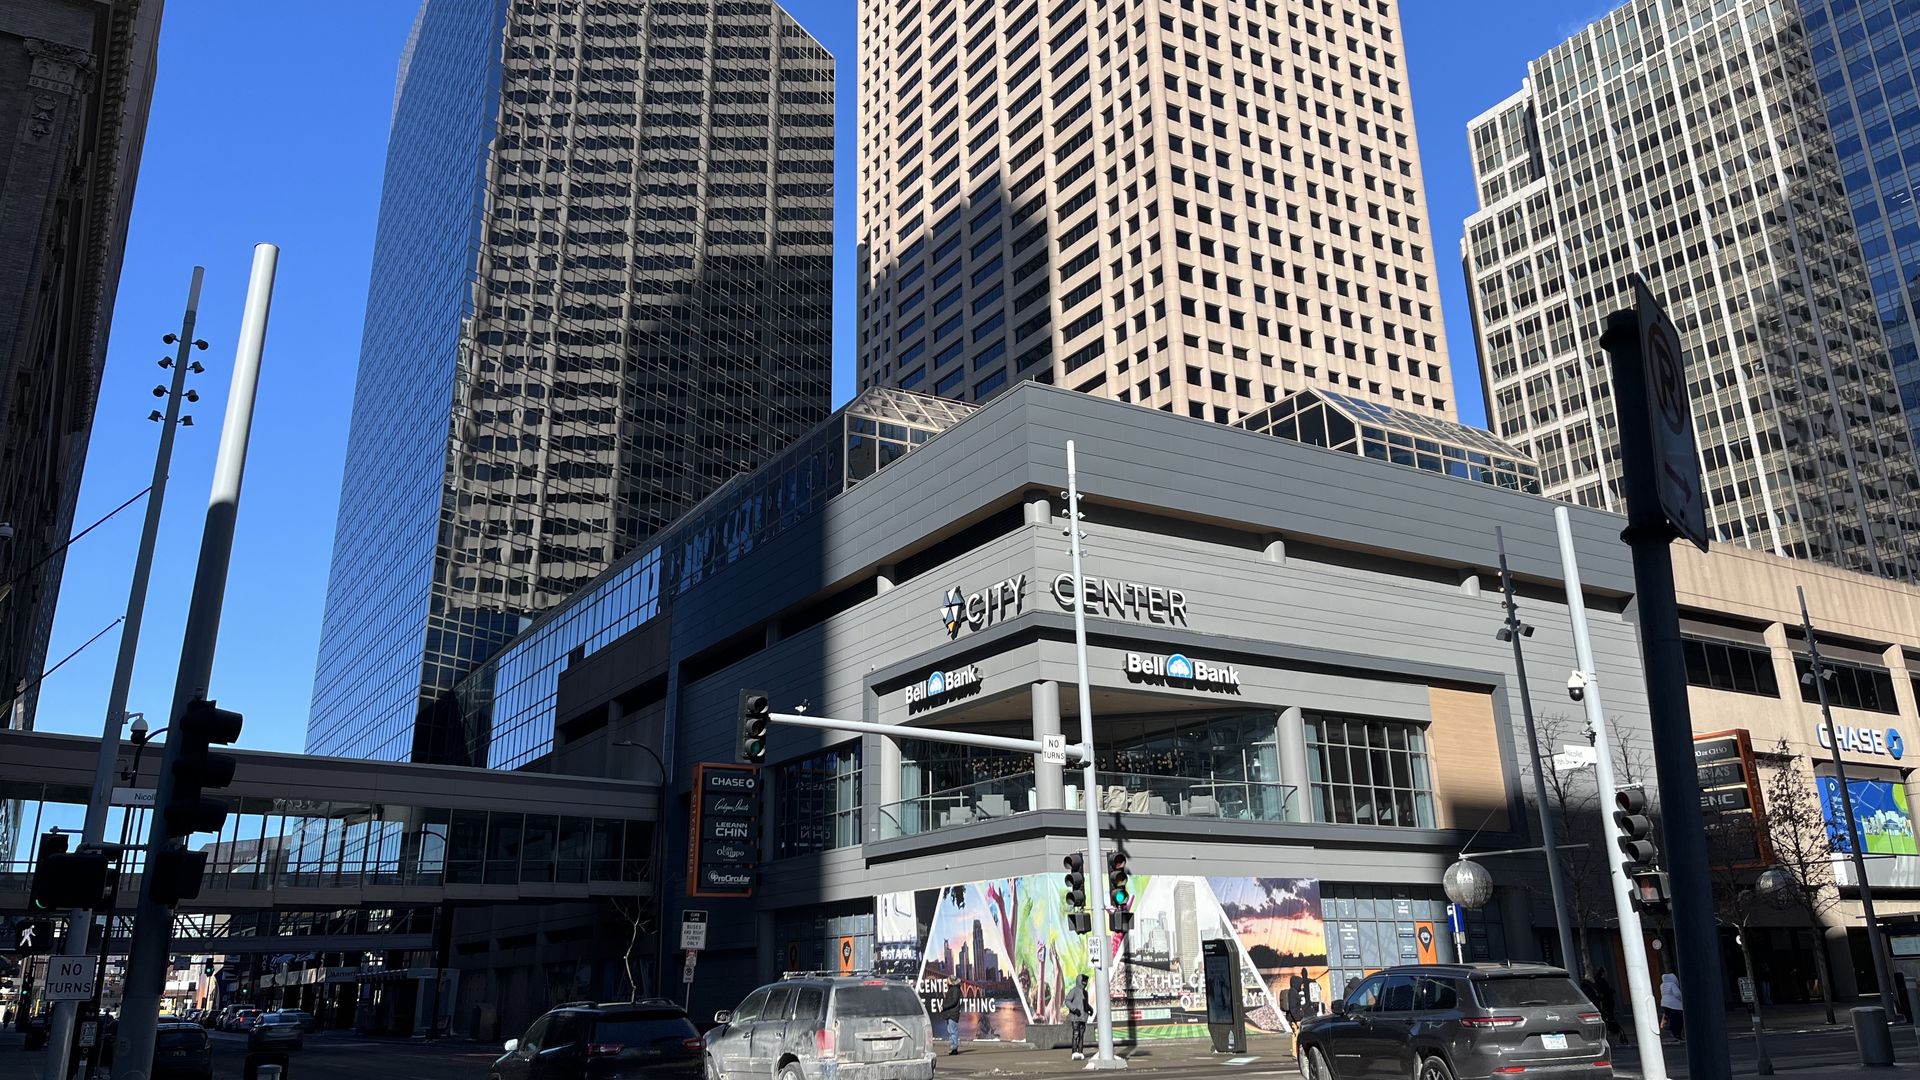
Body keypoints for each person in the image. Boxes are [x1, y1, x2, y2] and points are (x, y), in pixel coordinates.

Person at [1065, 973, 1091, 1061]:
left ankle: (1080, 1052)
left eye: (1086, 981)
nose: (1085, 983)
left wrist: (1090, 1009)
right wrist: (1074, 1009)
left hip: (1083, 1017)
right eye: (1083, 981)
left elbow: (1085, 1004)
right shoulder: (1074, 991)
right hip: (1075, 1017)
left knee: (1081, 1035)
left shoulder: (1085, 992)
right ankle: (1074, 1052)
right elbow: (1067, 1001)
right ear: (1079, 981)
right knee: (1076, 1034)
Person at [939, 980, 962, 1055]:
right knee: (951, 1031)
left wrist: (944, 1007)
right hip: (950, 1013)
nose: (946, 982)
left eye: (948, 980)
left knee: (953, 1031)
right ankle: (952, 1048)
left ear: (951, 981)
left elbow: (954, 1001)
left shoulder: (955, 989)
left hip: (952, 1013)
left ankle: (954, 1049)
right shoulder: (953, 989)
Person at [1659, 972, 1684, 1042]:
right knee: (1678, 1019)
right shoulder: (1672, 984)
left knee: (1671, 1018)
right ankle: (1677, 1034)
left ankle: (1672, 1031)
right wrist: (1682, 1000)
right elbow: (1677, 994)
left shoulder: (1662, 985)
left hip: (1664, 1003)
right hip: (1674, 1005)